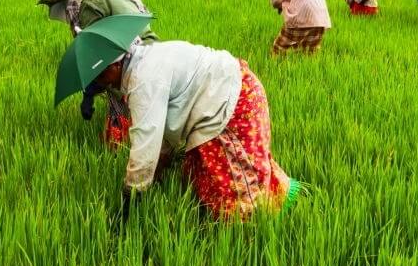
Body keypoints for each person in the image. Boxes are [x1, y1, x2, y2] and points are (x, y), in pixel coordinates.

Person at [72, 26, 298, 223]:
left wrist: (131, 198)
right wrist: (157, 170)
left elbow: (146, 143)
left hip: (234, 102)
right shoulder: (144, 60)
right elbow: (161, 131)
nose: (101, 84)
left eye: (99, 76)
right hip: (231, 90)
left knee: (236, 192)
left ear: (114, 66)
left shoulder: (143, 80)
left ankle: (257, 233)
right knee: (200, 173)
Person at [42, 0, 158, 145]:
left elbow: (97, 54)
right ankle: (152, 142)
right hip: (154, 51)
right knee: (150, 105)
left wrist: (88, 95)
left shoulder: (90, 3)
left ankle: (120, 147)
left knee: (121, 103)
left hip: (125, 60)